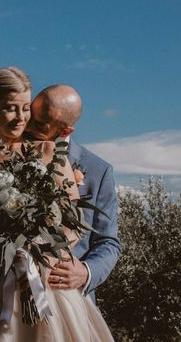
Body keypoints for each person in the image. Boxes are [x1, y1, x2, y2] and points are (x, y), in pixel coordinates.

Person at [0, 67, 114, 341]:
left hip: (46, 285)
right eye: (11, 108)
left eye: (25, 109)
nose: (21, 118)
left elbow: (74, 220)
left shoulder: (48, 152)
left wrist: (38, 253)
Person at [27, 85, 121, 304]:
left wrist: (86, 272)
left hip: (69, 299)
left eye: (40, 123)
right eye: (31, 115)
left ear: (66, 131)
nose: (28, 125)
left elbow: (108, 241)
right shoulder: (11, 152)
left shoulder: (99, 171)